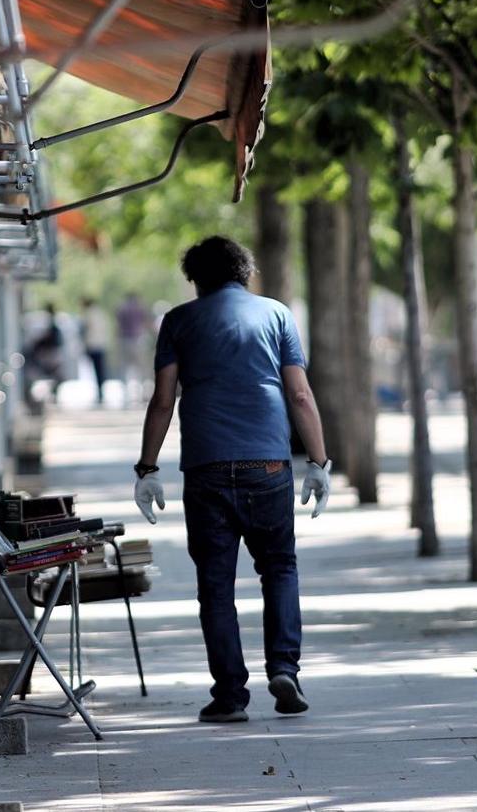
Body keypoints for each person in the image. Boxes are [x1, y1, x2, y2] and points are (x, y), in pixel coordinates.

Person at [132, 236, 332, 724]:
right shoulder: (277, 315)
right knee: (279, 568)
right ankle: (284, 668)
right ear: (245, 273)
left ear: (196, 280)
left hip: (207, 468)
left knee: (215, 585)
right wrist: (319, 462)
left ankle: (229, 696)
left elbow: (163, 400)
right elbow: (300, 395)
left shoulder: (178, 321)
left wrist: (147, 467)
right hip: (269, 465)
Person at [116, 292, 151, 399]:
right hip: (138, 340)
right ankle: (144, 392)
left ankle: (125, 394)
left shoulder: (121, 309)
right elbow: (146, 323)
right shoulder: (140, 308)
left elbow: (118, 325)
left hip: (124, 340)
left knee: (125, 368)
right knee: (141, 368)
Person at [81, 298, 110, 406]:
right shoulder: (100, 313)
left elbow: (86, 330)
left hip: (93, 345)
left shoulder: (88, 314)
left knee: (97, 371)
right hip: (101, 345)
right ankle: (101, 392)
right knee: (100, 370)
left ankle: (100, 393)